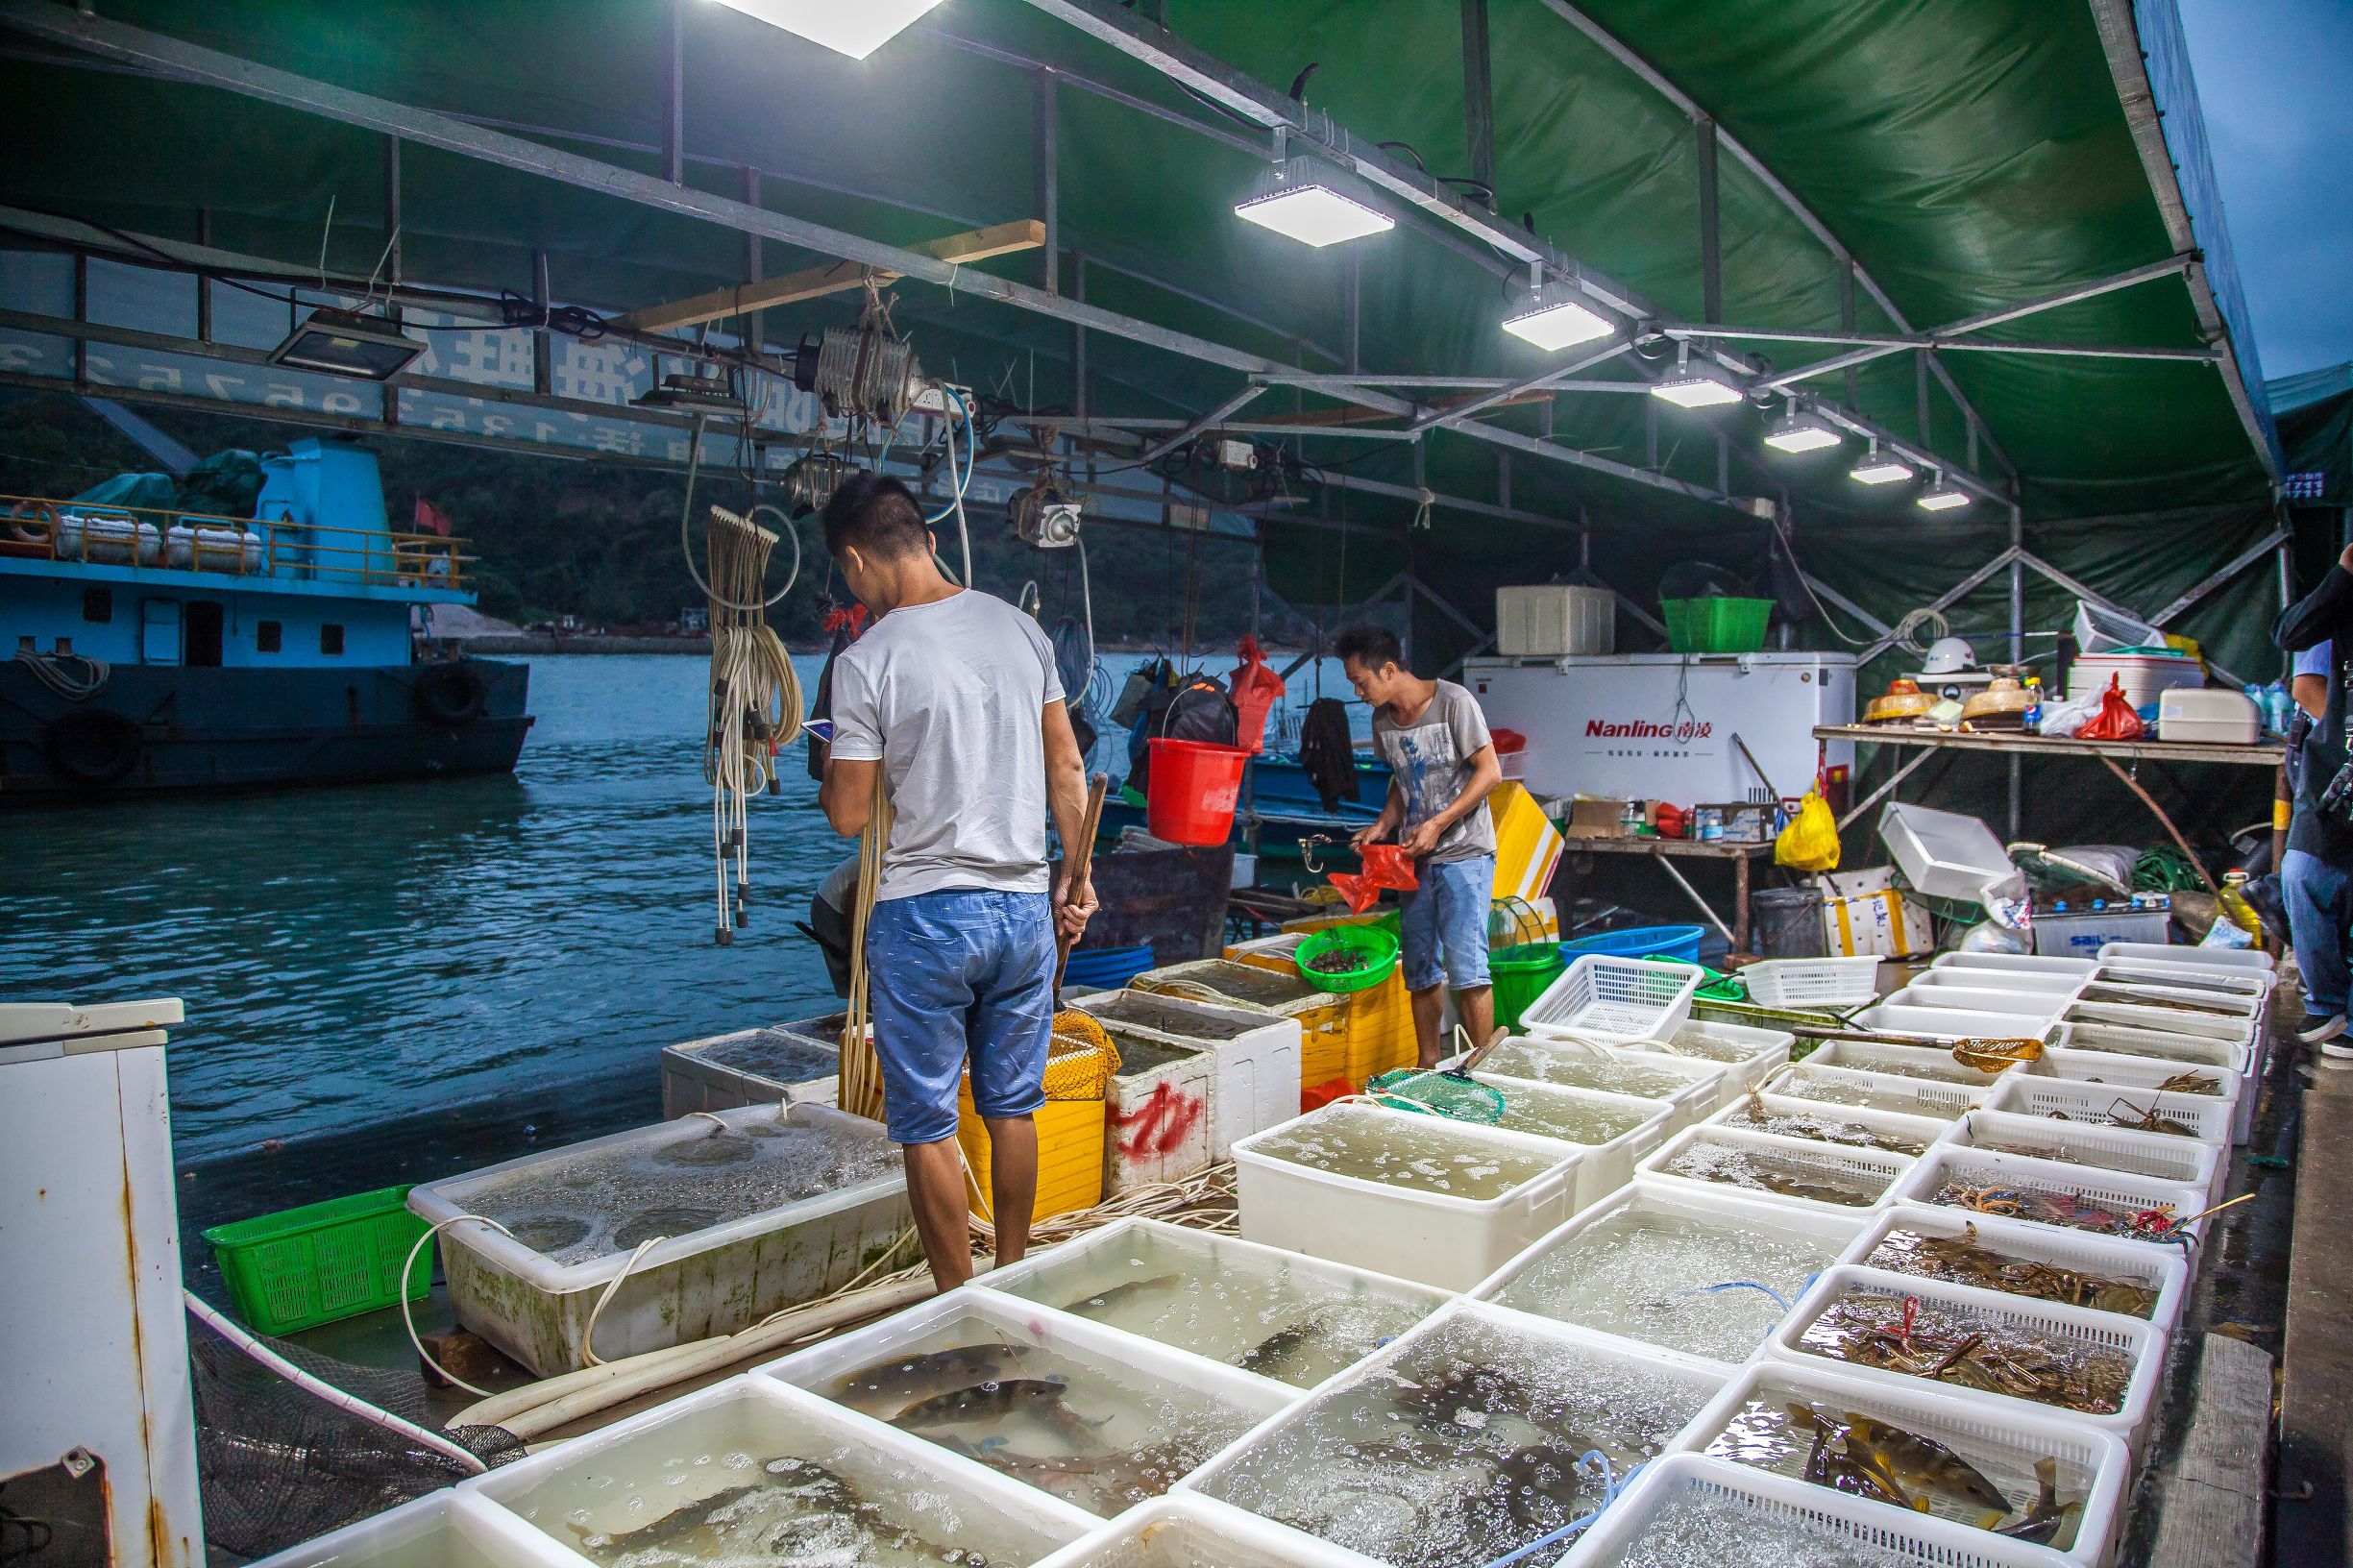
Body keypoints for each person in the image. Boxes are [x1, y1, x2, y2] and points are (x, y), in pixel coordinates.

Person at [817, 473, 1097, 1288]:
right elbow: (1066, 766)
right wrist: (1077, 879)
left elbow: (848, 813)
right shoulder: (1020, 631)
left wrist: (829, 760)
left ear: (855, 559)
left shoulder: (865, 661)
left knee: (928, 1124)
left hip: (925, 918)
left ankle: (955, 1300)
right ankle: (1010, 1276)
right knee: (1012, 1106)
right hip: (1020, 911)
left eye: (851, 577)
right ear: (930, 540)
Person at [1337, 626, 1503, 1068]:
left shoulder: (1455, 702)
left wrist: (1438, 823)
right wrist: (1383, 825)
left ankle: (1481, 1070)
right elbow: (1401, 778)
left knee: (1468, 968)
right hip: (1412, 861)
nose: (1358, 692)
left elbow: (1490, 773)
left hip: (1465, 853)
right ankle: (1428, 1066)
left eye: (1362, 681)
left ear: (1389, 669)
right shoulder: (1382, 721)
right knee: (1420, 969)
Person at [2275, 552, 2353, 1060]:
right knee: (2302, 875)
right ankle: (2328, 1003)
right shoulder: (2341, 599)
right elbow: (2291, 637)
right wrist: (2344, 573)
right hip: (2335, 775)